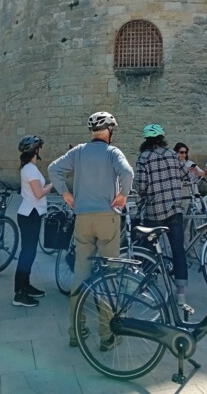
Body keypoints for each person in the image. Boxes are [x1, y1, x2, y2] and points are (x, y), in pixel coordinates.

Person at [48, 112, 134, 348]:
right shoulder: (113, 152)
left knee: (81, 273)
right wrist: (123, 195)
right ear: (110, 131)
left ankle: (76, 330)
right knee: (109, 273)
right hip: (107, 217)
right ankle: (106, 334)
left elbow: (53, 169)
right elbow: (127, 173)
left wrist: (66, 194)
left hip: (83, 217)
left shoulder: (78, 151)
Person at [136, 124, 189, 305]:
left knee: (149, 249)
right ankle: (181, 293)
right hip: (175, 208)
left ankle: (150, 285)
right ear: (162, 139)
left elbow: (141, 185)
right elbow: (184, 175)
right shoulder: (172, 155)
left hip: (155, 211)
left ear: (146, 141)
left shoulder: (144, 157)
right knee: (178, 249)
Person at [13, 135, 53, 307]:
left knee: (29, 253)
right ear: (35, 150)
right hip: (30, 214)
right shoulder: (30, 169)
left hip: (30, 213)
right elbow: (38, 194)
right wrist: (52, 185)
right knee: (27, 254)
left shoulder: (29, 168)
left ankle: (26, 286)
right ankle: (19, 294)